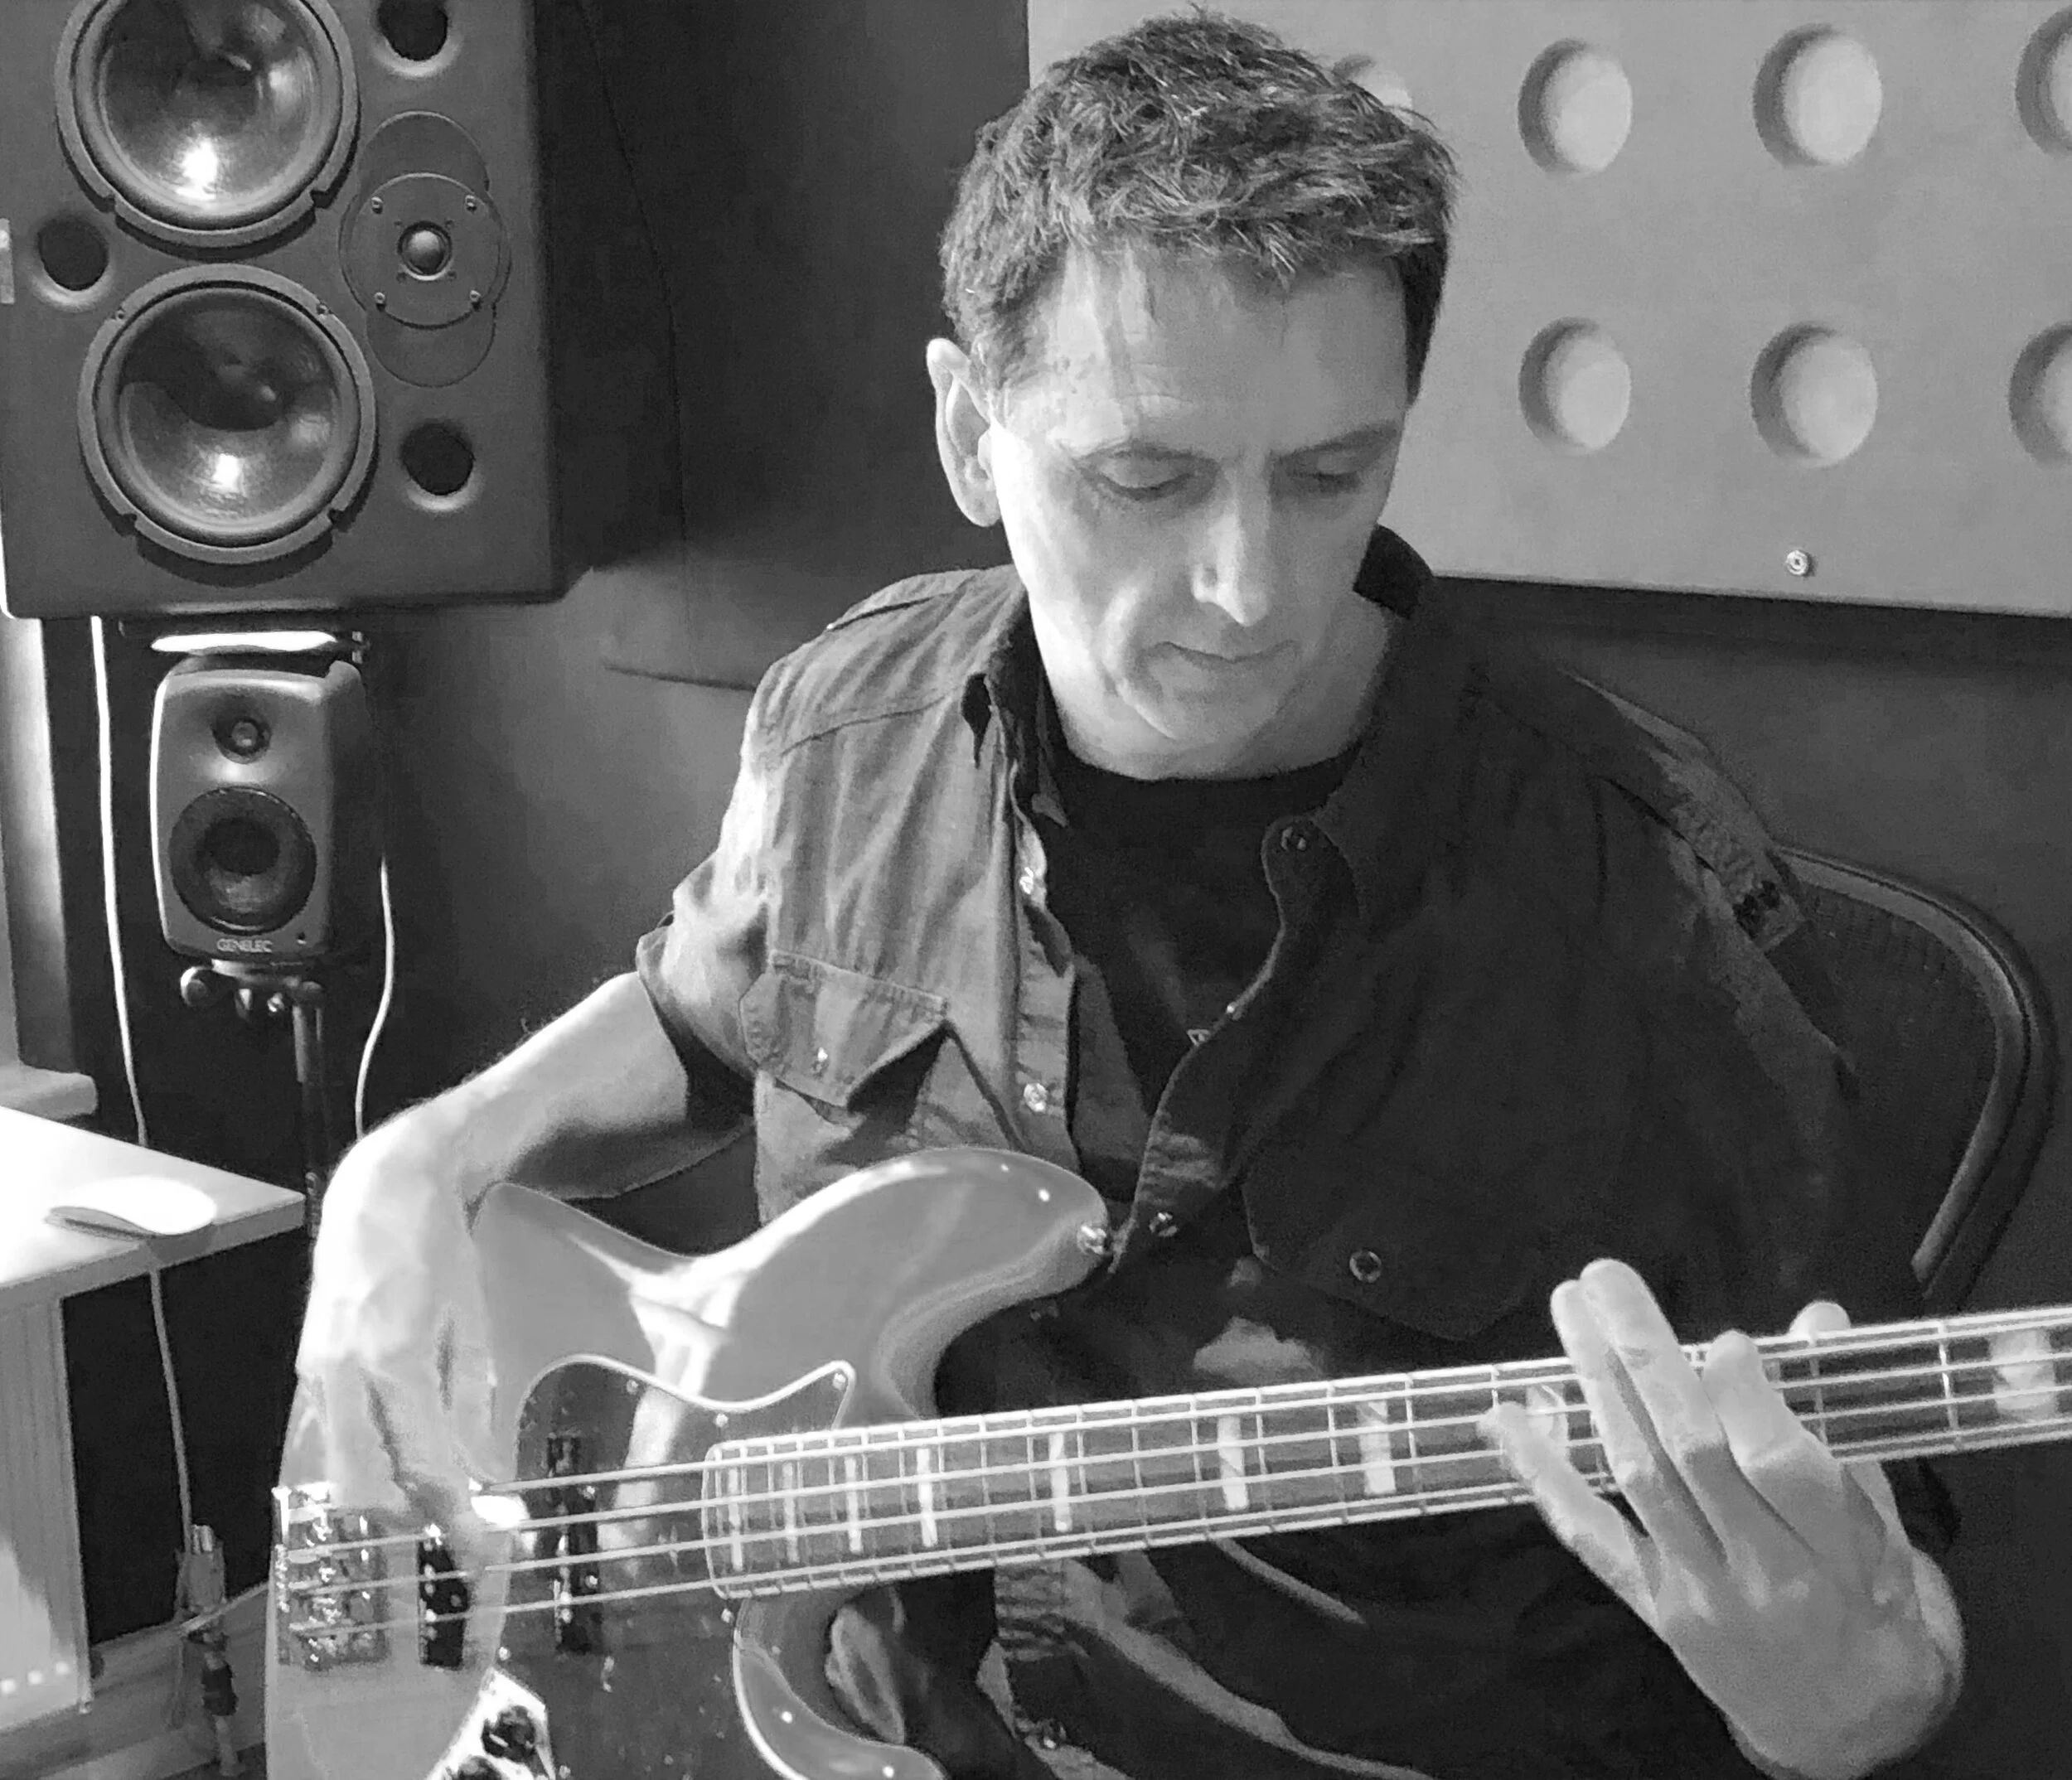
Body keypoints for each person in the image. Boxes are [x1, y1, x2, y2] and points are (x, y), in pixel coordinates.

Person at [296, 12, 1967, 1778]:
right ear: (969, 431)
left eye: (1329, 476)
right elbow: (703, 1017)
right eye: (1146, 481)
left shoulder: (1643, 891)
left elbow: (1894, 1623)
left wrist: (1833, 1695)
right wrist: (424, 1166)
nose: (1248, 588)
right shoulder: (849, 725)